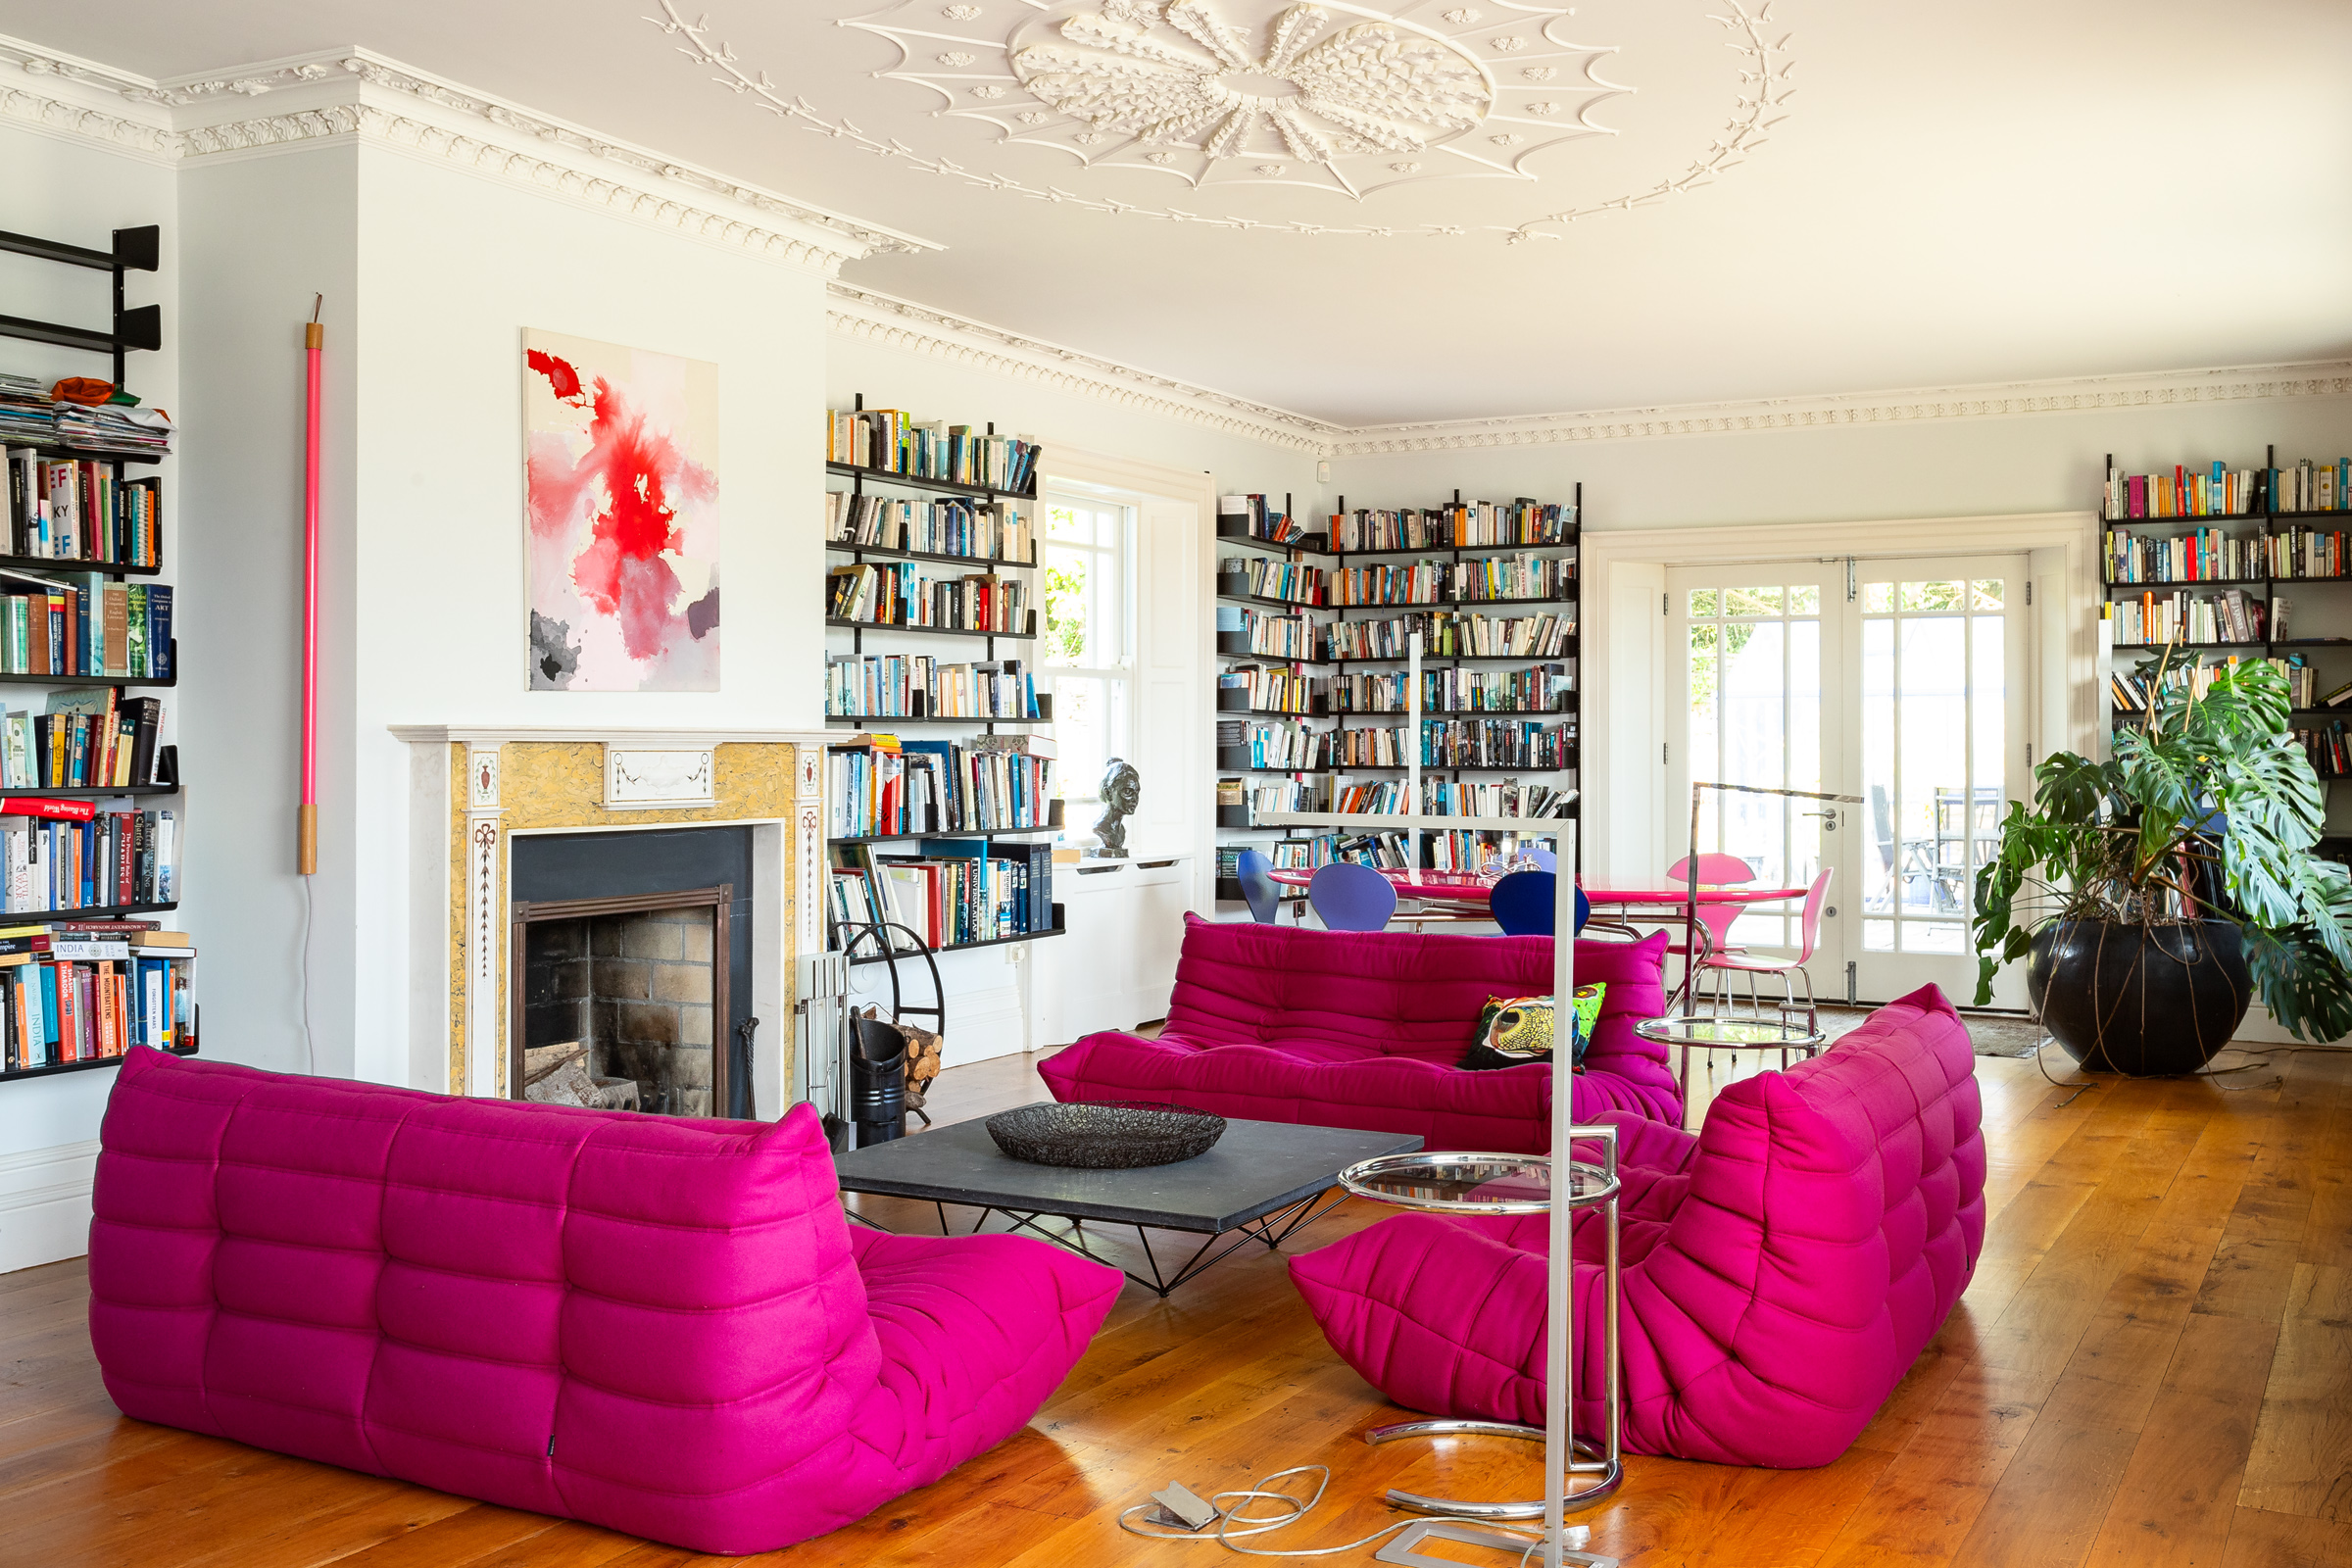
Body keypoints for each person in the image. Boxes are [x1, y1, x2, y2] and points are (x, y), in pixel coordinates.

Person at [1094, 757, 1141, 858]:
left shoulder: (1121, 831)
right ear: (1108, 793)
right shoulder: (1101, 827)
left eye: (1136, 792)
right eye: (1127, 792)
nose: (1135, 799)